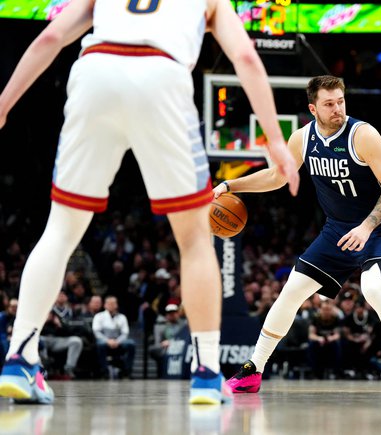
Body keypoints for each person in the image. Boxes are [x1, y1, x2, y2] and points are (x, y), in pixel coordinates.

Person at [0, 0, 299, 405]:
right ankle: (208, 373)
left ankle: (19, 358)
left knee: (61, 229)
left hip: (95, 70)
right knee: (194, 239)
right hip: (162, 75)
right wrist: (275, 141)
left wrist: (3, 103)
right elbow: (245, 55)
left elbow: (51, 36)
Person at [218, 75, 381, 395]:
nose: (337, 108)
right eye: (328, 104)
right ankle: (254, 369)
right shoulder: (302, 138)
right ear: (313, 108)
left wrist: (366, 227)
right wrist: (230, 185)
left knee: (375, 290)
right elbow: (276, 176)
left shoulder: (363, 135)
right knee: (291, 291)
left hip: (379, 226)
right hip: (337, 228)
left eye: (340, 101)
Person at [92, 296, 135, 379]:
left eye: (113, 303)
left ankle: (126, 371)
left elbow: (125, 333)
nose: (111, 305)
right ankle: (104, 371)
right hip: (104, 341)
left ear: (116, 305)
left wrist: (117, 341)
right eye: (109, 303)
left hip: (119, 342)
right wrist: (108, 341)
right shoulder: (99, 316)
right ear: (105, 305)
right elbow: (96, 332)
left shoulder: (122, 317)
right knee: (100, 345)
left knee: (131, 344)